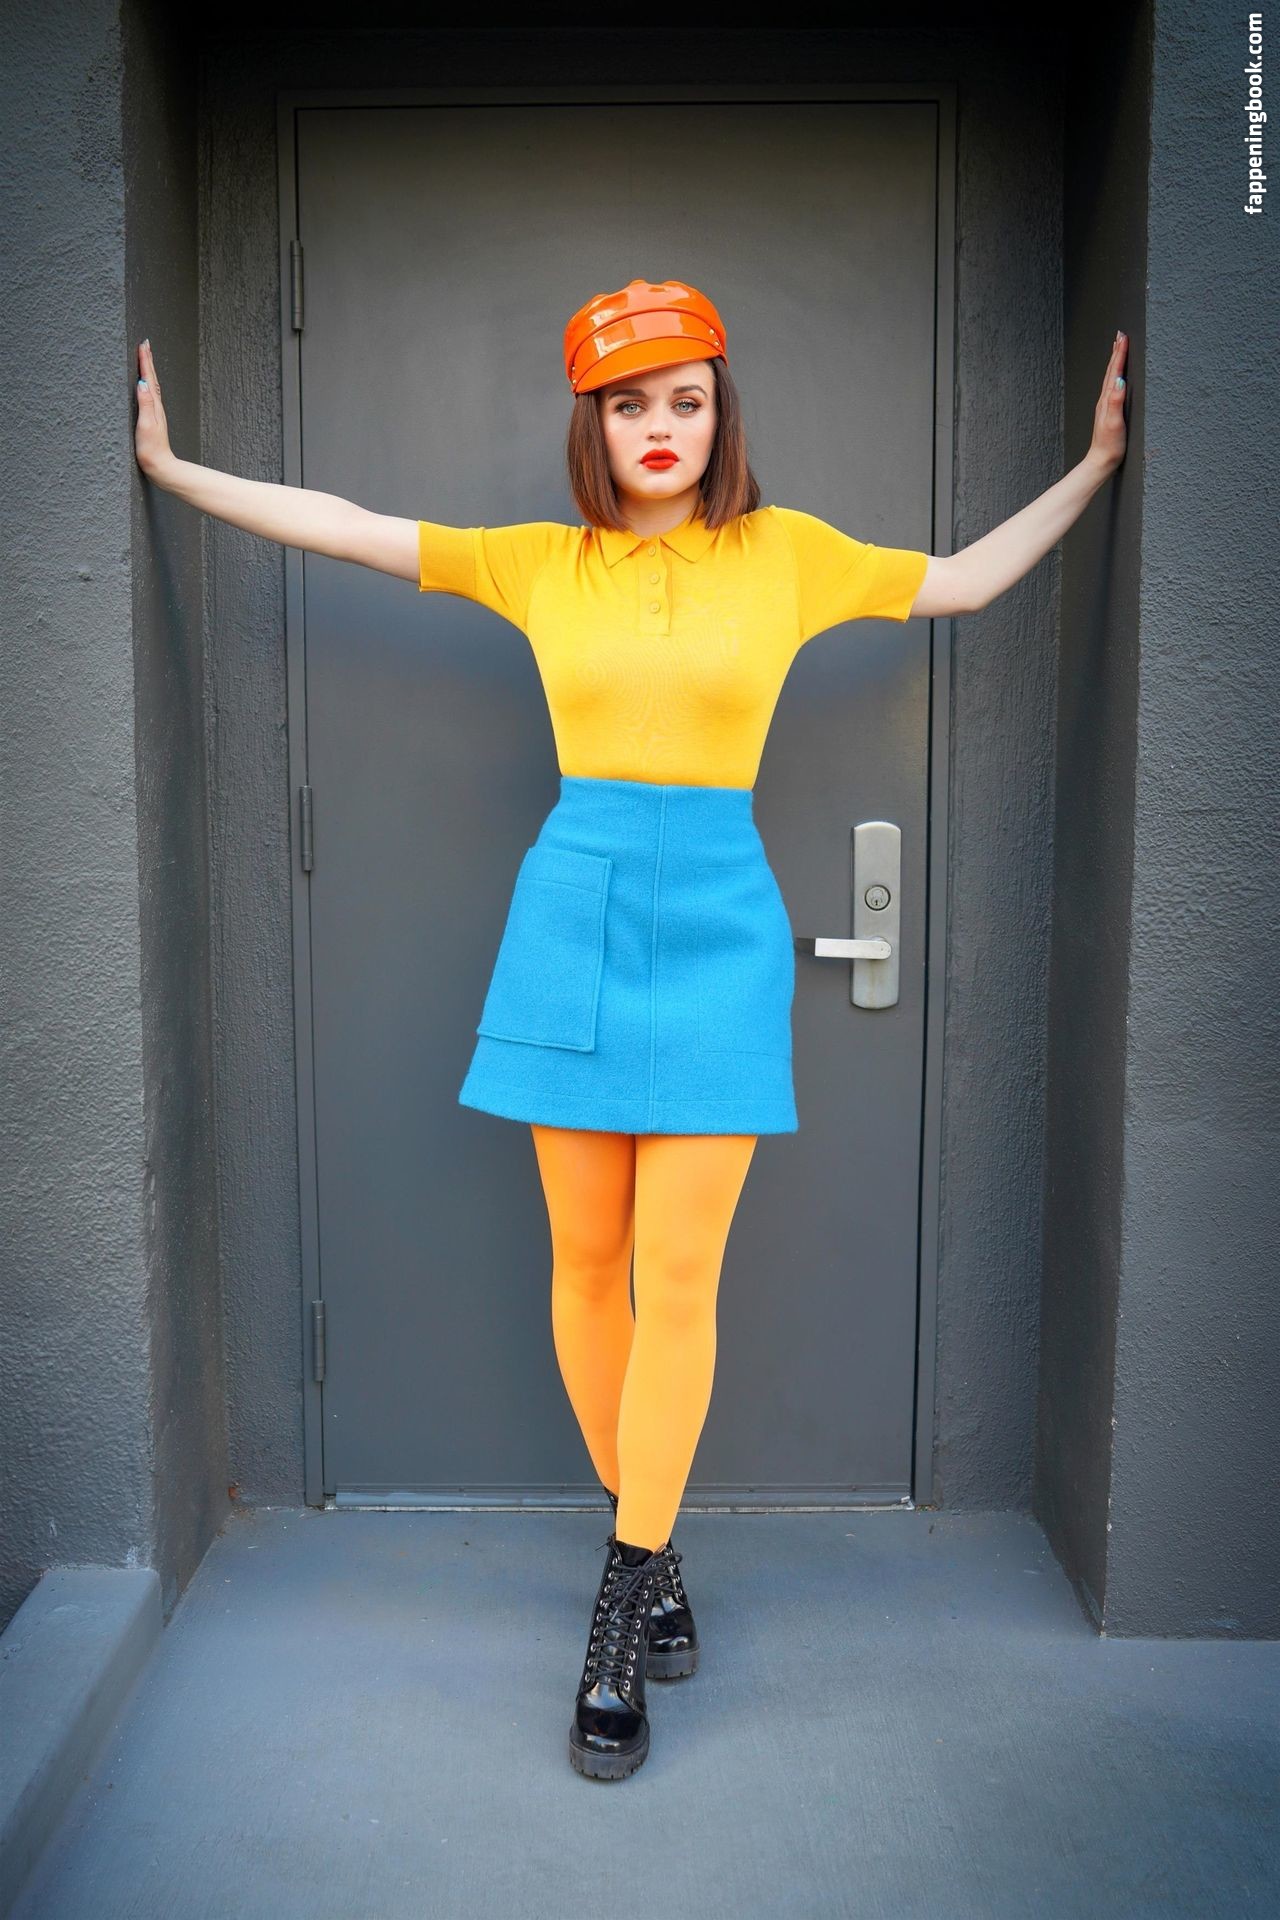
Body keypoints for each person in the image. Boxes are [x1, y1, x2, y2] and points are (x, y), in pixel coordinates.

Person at [133, 278, 1129, 1783]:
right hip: (570, 921)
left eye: (686, 400)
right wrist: (172, 470)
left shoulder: (791, 556)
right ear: (590, 425)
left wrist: (1098, 464)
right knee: (586, 1267)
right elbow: (344, 525)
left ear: (723, 414)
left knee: (679, 1279)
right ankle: (657, 1552)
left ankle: (620, 1604)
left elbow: (967, 582)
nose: (660, 428)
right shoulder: (541, 564)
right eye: (628, 404)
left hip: (720, 930)